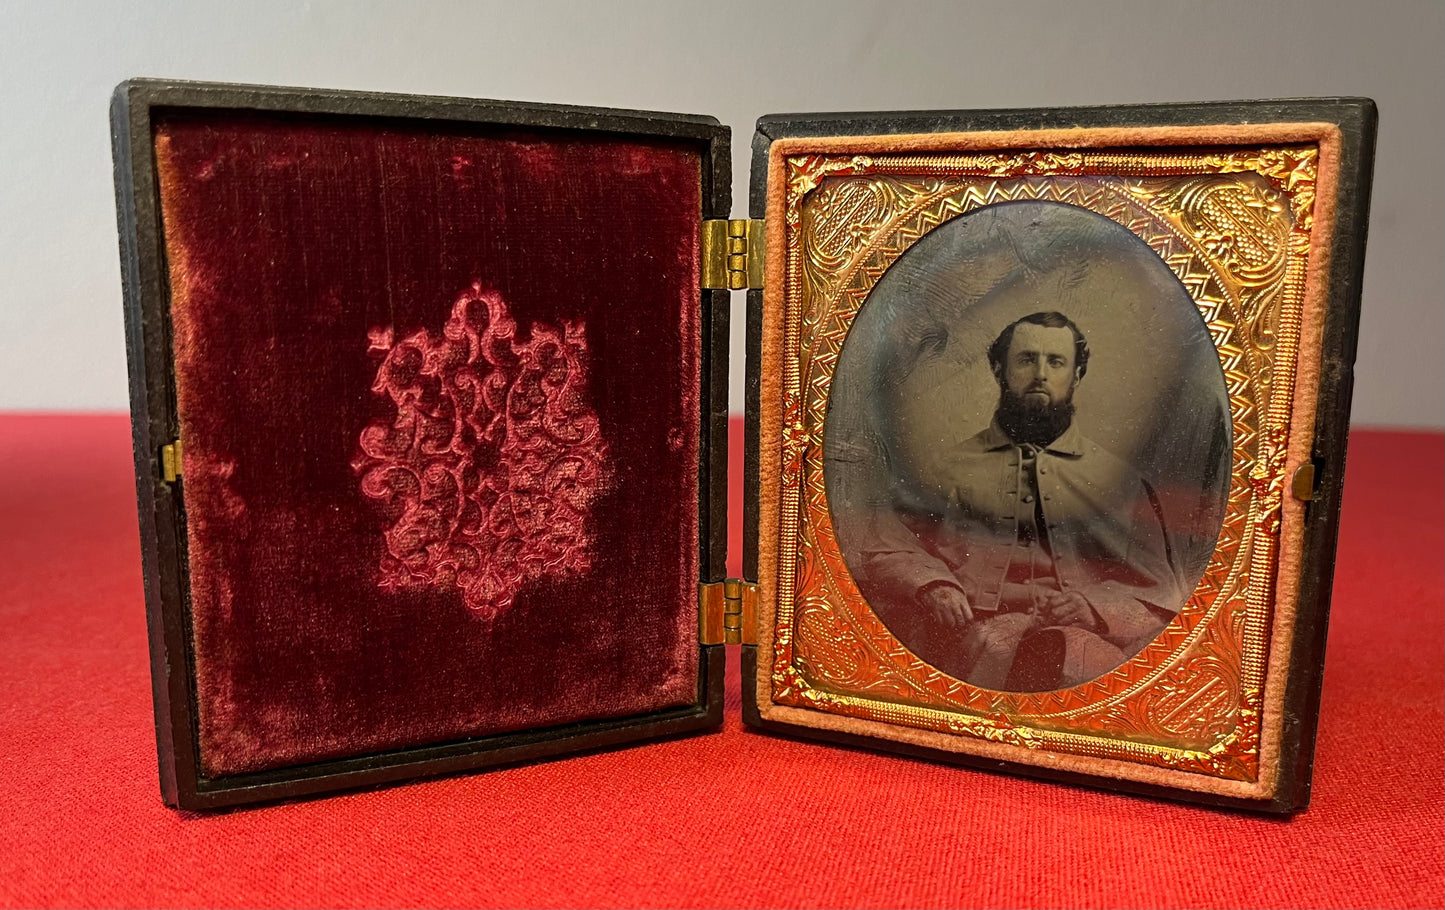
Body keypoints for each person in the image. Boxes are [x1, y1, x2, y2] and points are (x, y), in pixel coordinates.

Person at [860, 311, 1182, 691]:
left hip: (1073, 647)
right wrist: (933, 585)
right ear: (999, 370)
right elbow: (883, 545)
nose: (1041, 374)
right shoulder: (947, 466)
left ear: (1076, 375)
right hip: (961, 639)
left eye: (1056, 362)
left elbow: (1161, 592)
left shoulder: (1121, 482)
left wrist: (1094, 609)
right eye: (1027, 359)